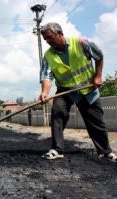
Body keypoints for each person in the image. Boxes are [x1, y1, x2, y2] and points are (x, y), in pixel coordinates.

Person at [39, 22, 116, 162]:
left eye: (50, 37)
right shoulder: (48, 55)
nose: (48, 41)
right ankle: (56, 149)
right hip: (65, 90)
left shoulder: (80, 42)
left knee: (95, 120)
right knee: (58, 112)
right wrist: (45, 92)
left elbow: (99, 56)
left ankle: (105, 152)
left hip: (87, 89)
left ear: (60, 33)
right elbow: (46, 76)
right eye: (46, 39)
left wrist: (98, 76)